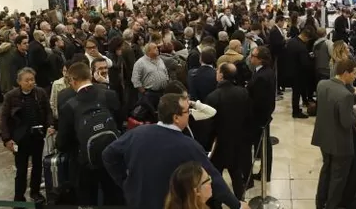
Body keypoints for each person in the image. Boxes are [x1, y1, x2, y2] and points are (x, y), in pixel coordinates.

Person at [102, 93, 247, 209]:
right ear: (176, 117)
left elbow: (108, 154)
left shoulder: (137, 133)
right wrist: (237, 205)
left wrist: (125, 182)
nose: (189, 115)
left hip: (137, 200)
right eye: (186, 112)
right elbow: (213, 178)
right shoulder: (188, 146)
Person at [56, 62, 124, 206]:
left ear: (72, 81)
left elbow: (62, 143)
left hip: (83, 164)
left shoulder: (69, 105)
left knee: (87, 199)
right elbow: (119, 121)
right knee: (114, 197)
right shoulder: (108, 94)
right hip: (111, 157)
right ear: (90, 76)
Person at [312, 59, 356, 209]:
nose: (355, 76)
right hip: (340, 142)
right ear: (345, 73)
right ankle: (332, 205)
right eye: (354, 73)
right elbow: (347, 122)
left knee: (326, 170)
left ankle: (320, 202)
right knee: (338, 177)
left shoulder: (322, 85)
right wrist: (354, 111)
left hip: (324, 137)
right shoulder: (345, 95)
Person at [1, 67, 55, 204]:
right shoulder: (11, 96)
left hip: (37, 137)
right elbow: (4, 118)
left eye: (32, 80)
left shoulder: (40, 93)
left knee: (37, 166)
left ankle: (35, 192)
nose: (30, 83)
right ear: (19, 82)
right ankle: (19, 197)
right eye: (27, 80)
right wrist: (7, 139)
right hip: (20, 138)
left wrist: (50, 125)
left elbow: (48, 111)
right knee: (21, 169)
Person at [205, 63, 252, 199]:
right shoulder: (243, 92)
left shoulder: (213, 97)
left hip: (219, 144)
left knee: (216, 177)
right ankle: (240, 202)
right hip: (238, 142)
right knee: (236, 174)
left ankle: (216, 203)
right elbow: (249, 117)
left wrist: (207, 146)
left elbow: (209, 125)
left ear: (221, 75)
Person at [247, 46, 276, 184]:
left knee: (264, 145)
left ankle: (265, 172)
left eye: (253, 56)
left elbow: (259, 101)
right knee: (264, 145)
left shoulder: (262, 76)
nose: (250, 57)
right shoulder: (263, 72)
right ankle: (265, 171)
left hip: (259, 117)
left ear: (260, 60)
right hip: (262, 115)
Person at [286, 27, 313, 118]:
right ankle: (296, 112)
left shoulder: (291, 41)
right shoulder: (301, 47)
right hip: (298, 73)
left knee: (296, 92)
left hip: (290, 69)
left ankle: (297, 108)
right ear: (306, 37)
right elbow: (304, 63)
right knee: (296, 93)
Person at [132, 42, 169, 109]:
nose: (157, 49)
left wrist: (166, 80)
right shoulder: (140, 63)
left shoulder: (160, 60)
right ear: (148, 51)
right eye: (154, 48)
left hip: (162, 93)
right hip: (149, 94)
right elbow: (135, 79)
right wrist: (144, 92)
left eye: (157, 47)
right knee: (150, 115)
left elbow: (165, 72)